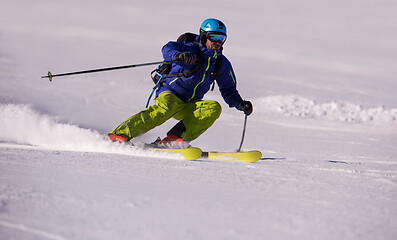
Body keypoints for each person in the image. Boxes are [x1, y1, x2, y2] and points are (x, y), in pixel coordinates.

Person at [108, 18, 253, 146]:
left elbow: (228, 89)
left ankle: (173, 139)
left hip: (188, 104)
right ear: (203, 36)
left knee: (213, 108)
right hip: (169, 92)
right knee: (165, 108)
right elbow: (167, 48)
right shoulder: (190, 49)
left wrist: (240, 103)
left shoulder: (220, 63)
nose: (217, 42)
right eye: (213, 37)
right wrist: (179, 55)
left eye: (221, 39)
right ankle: (119, 134)